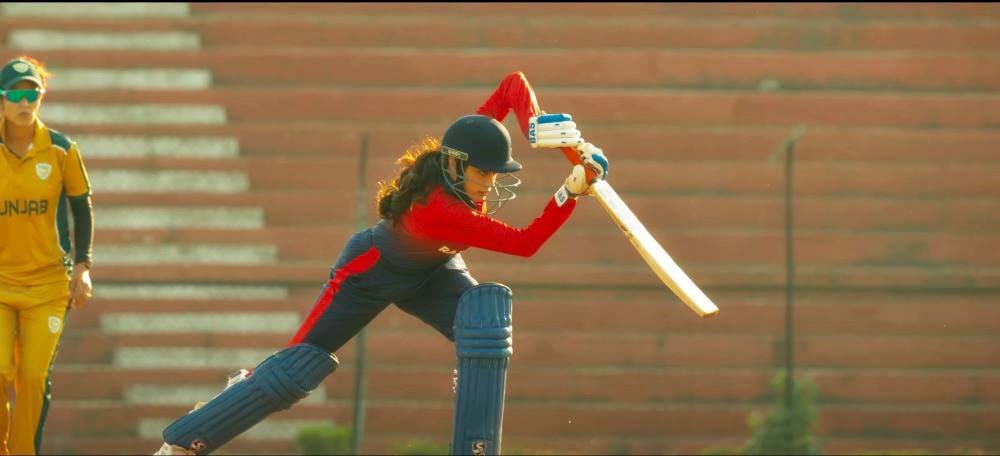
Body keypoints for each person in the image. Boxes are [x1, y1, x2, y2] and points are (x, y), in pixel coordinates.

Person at [154, 113, 608, 455]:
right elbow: (526, 244)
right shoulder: (443, 211)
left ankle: (477, 447)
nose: (490, 184)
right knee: (295, 367)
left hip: (432, 272)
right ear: (456, 165)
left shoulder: (461, 153)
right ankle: (187, 439)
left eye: (495, 173)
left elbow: (511, 86)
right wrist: (568, 192)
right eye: (484, 173)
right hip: (370, 272)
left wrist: (539, 126)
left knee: (484, 324)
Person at [0, 56, 94, 455]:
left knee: (34, 376)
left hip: (48, 285)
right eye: (15, 95)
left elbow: (81, 207)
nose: (24, 103)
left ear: (42, 96)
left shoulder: (61, 149)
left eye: (32, 94)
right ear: (2, 99)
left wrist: (83, 266)